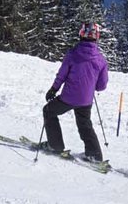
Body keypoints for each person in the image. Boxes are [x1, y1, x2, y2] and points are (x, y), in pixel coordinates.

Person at [40, 22, 110, 163]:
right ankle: (95, 155)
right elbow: (101, 86)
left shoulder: (72, 54)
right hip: (86, 100)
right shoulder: (101, 60)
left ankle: (56, 146)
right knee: (85, 124)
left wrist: (53, 89)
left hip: (68, 97)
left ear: (81, 34)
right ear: (97, 37)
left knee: (49, 111)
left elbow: (62, 75)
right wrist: (91, 84)